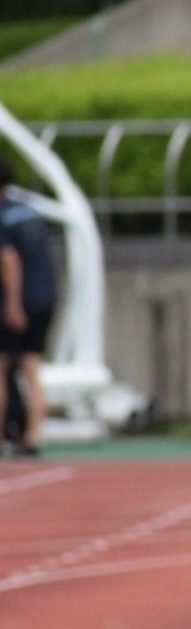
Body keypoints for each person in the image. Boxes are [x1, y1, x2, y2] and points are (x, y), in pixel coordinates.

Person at [0, 156, 59, 459]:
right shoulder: (31, 213)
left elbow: (9, 260)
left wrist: (13, 304)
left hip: (16, 301)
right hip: (43, 298)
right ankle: (33, 437)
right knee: (32, 369)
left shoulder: (3, 216)